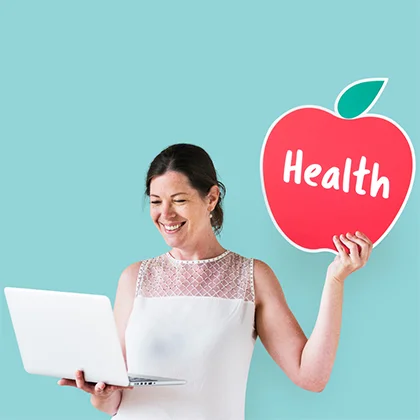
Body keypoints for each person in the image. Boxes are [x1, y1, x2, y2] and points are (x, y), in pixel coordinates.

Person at [58, 143, 373, 419]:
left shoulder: (251, 277)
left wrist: (335, 280)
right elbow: (114, 401)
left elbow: (311, 376)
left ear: (211, 198)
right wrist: (100, 393)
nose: (165, 214)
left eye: (178, 200)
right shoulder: (134, 278)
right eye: (155, 201)